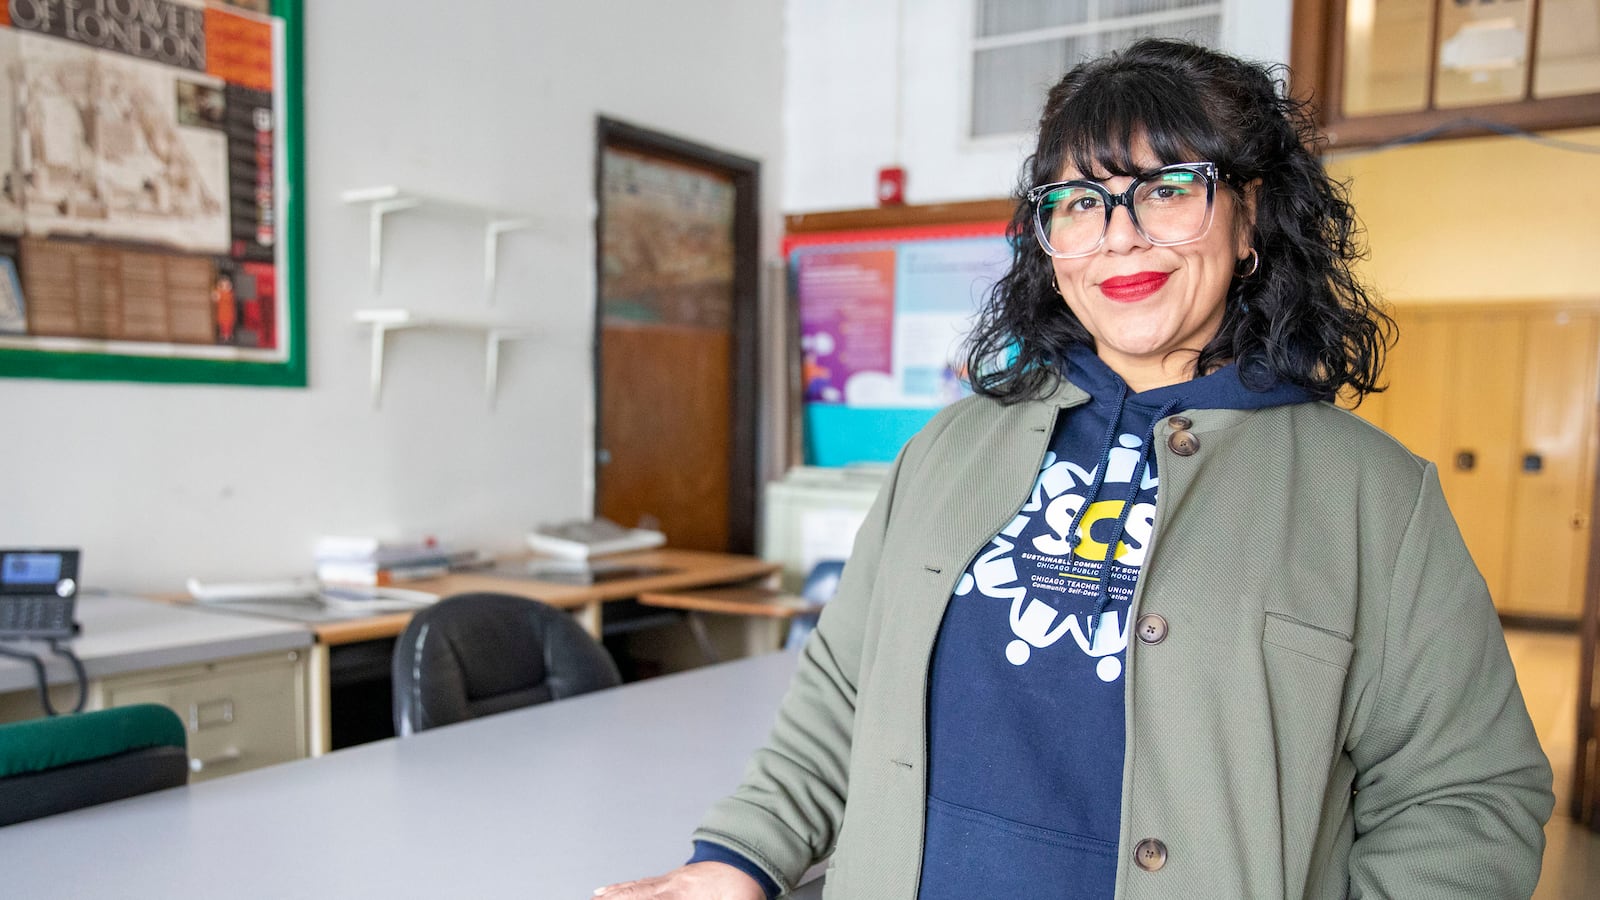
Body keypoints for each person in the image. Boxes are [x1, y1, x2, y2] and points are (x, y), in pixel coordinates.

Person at [596, 39, 1554, 900]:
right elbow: (841, 693)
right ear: (1048, 242)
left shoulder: (1373, 499)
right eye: (1080, 202)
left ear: (1251, 218)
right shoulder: (950, 449)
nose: (1120, 235)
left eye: (1168, 188)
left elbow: (1465, 794)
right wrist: (736, 861)